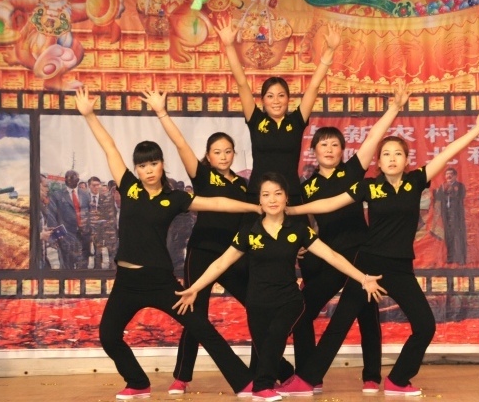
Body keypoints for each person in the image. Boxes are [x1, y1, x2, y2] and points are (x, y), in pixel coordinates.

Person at [278, 109, 479, 396]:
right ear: (379, 162)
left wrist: (476, 129)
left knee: (425, 325)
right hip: (368, 264)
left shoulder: (415, 181)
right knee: (340, 324)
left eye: (398, 154)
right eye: (386, 154)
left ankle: (398, 379)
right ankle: (307, 379)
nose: (392, 158)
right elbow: (329, 204)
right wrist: (291, 211)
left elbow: (448, 153)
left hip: (400, 269)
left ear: (406, 160)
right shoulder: (369, 187)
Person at [75, 87, 260, 400]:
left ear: (162, 165)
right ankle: (138, 382)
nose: (148, 170)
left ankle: (243, 382)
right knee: (108, 335)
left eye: (153, 164)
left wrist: (254, 207)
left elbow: (217, 204)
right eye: (142, 165)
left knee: (201, 327)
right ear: (137, 169)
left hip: (159, 280)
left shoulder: (175, 198)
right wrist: (90, 115)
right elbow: (109, 148)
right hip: (126, 281)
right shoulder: (129, 187)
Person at [174, 172, 386, 402]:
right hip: (257, 302)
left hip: (289, 301)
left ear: (286, 198)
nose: (272, 199)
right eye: (266, 195)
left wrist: (363, 278)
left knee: (275, 336)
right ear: (260, 200)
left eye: (277, 194)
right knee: (265, 349)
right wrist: (195, 288)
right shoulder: (249, 232)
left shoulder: (299, 230)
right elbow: (221, 263)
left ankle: (262, 386)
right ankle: (283, 378)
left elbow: (332, 256)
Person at [292, 82, 411, 394]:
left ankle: (371, 376)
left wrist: (394, 108)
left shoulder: (353, 172)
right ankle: (308, 374)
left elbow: (373, 138)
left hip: (361, 255)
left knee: (367, 313)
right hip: (329, 258)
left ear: (342, 150)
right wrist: (300, 246)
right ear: (314, 151)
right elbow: (299, 223)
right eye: (323, 145)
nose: (329, 150)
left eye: (335, 145)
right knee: (301, 311)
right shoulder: (306, 188)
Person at [140, 89, 256, 395]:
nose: (223, 156)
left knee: (257, 306)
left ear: (234, 154)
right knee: (195, 313)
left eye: (228, 151)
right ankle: (182, 376)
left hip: (232, 255)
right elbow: (180, 143)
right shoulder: (203, 175)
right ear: (208, 155)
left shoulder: (244, 185)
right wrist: (162, 112)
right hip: (203, 252)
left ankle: (268, 369)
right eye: (217, 152)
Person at [215, 18, 341, 208]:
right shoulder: (255, 119)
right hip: (258, 196)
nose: (276, 101)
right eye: (270, 96)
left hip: (291, 196)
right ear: (263, 101)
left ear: (288, 99)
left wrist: (330, 50)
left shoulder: (296, 121)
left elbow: (314, 87)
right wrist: (229, 46)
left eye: (281, 95)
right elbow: (241, 83)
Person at [46, 169, 91, 269]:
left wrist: (91, 231)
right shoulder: (57, 195)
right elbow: (51, 216)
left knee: (83, 265)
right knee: (67, 265)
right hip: (66, 236)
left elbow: (90, 213)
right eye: (67, 178)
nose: (69, 181)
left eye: (72, 178)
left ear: (78, 180)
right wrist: (56, 237)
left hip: (84, 236)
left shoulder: (85, 195)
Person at [434, 167, 467, 265]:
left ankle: (461, 259)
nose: (448, 176)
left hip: (456, 214)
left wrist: (451, 190)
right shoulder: (443, 186)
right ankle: (450, 258)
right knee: (448, 236)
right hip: (446, 214)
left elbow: (461, 196)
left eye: (450, 174)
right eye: (447, 174)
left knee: (458, 236)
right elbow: (438, 198)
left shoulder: (460, 186)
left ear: (455, 176)